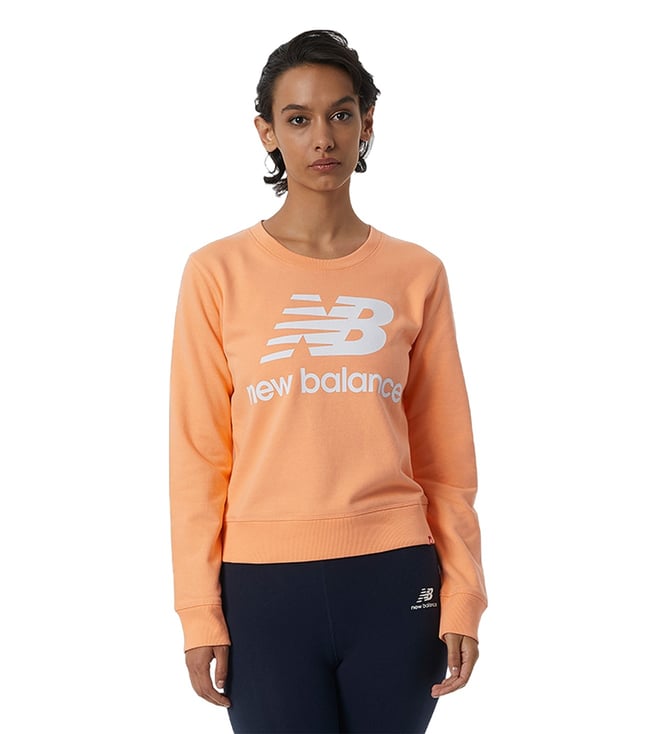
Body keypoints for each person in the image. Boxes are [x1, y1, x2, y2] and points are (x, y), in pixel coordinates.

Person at [169, 29, 487, 734]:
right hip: (261, 589)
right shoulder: (216, 273)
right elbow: (198, 458)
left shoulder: (416, 274)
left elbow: (445, 458)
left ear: (367, 124)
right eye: (299, 118)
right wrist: (198, 609)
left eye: (342, 114)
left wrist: (464, 593)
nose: (323, 137)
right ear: (267, 132)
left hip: (395, 578)